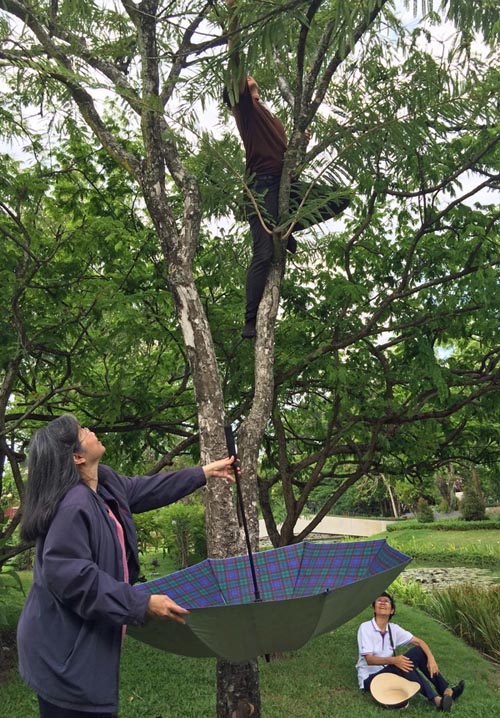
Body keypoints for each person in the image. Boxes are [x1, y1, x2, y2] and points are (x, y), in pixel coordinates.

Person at [17, 414, 238, 718]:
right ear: (78, 457)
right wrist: (142, 603)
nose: (90, 430)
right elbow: (73, 579)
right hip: (62, 653)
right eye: (82, 430)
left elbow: (147, 488)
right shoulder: (72, 506)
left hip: (77, 644)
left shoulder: (105, 484)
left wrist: (203, 473)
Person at [225, 3, 350, 339]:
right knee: (264, 253)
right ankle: (250, 321)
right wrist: (233, 19)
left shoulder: (272, 117)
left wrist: (302, 143)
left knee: (341, 199)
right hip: (261, 189)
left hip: (283, 186)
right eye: (245, 79)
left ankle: (288, 224)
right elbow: (234, 63)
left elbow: (290, 160)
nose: (250, 78)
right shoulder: (246, 112)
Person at [356, 591, 465, 712]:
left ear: (392, 611)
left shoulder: (393, 629)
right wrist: (393, 661)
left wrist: (431, 658)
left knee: (418, 652)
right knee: (401, 664)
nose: (382, 603)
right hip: (371, 680)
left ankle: (445, 690)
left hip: (390, 674)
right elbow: (369, 660)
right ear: (374, 609)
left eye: (386, 601)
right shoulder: (365, 627)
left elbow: (419, 642)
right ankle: (437, 700)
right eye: (379, 600)